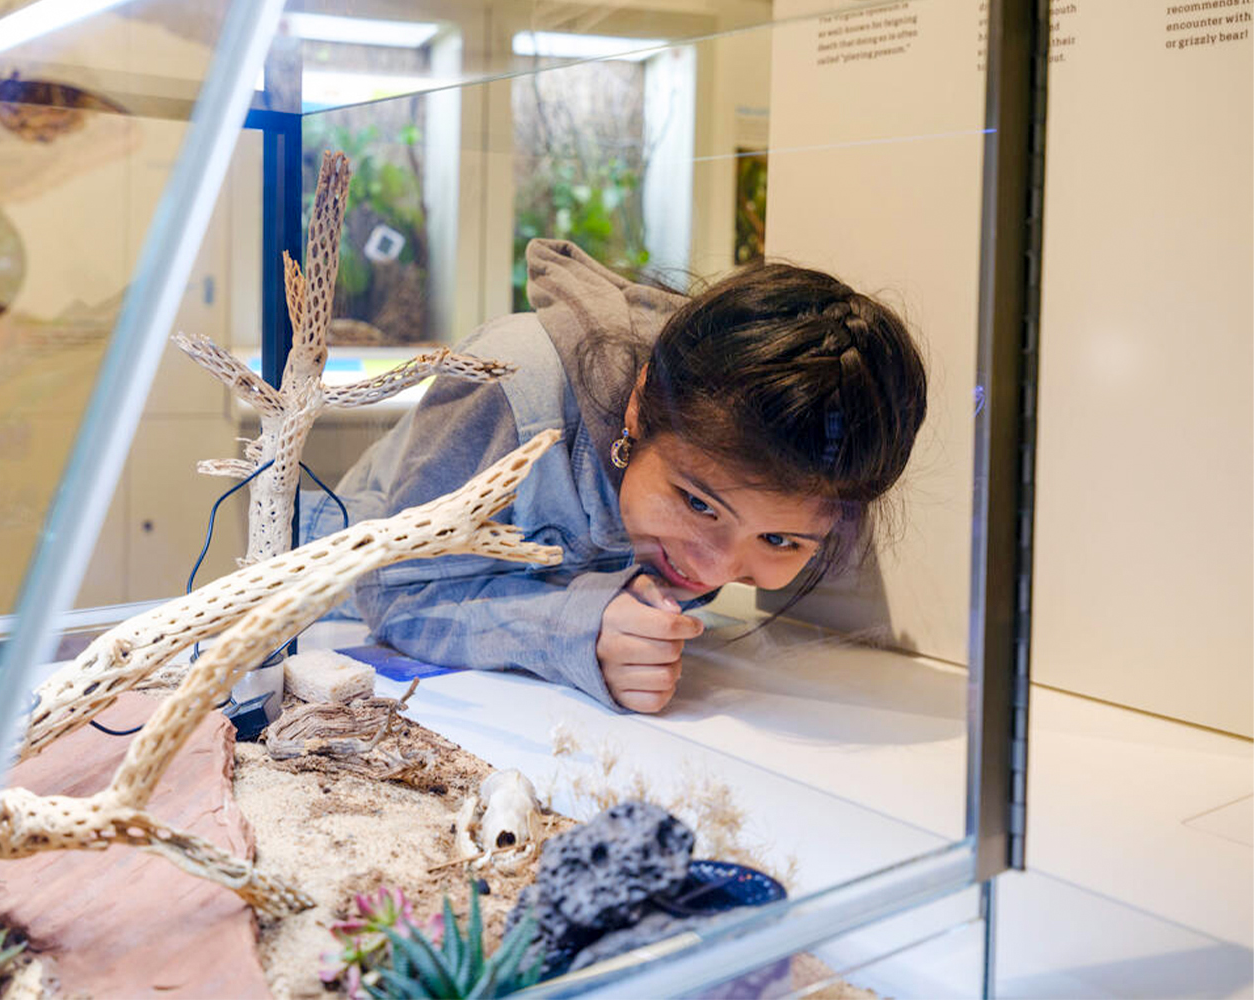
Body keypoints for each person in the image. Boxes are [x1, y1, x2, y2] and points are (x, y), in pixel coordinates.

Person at [299, 239, 928, 713]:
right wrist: (579, 629)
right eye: (699, 505)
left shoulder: (812, 450)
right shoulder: (510, 383)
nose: (710, 573)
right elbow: (396, 592)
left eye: (779, 541)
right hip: (323, 615)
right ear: (639, 403)